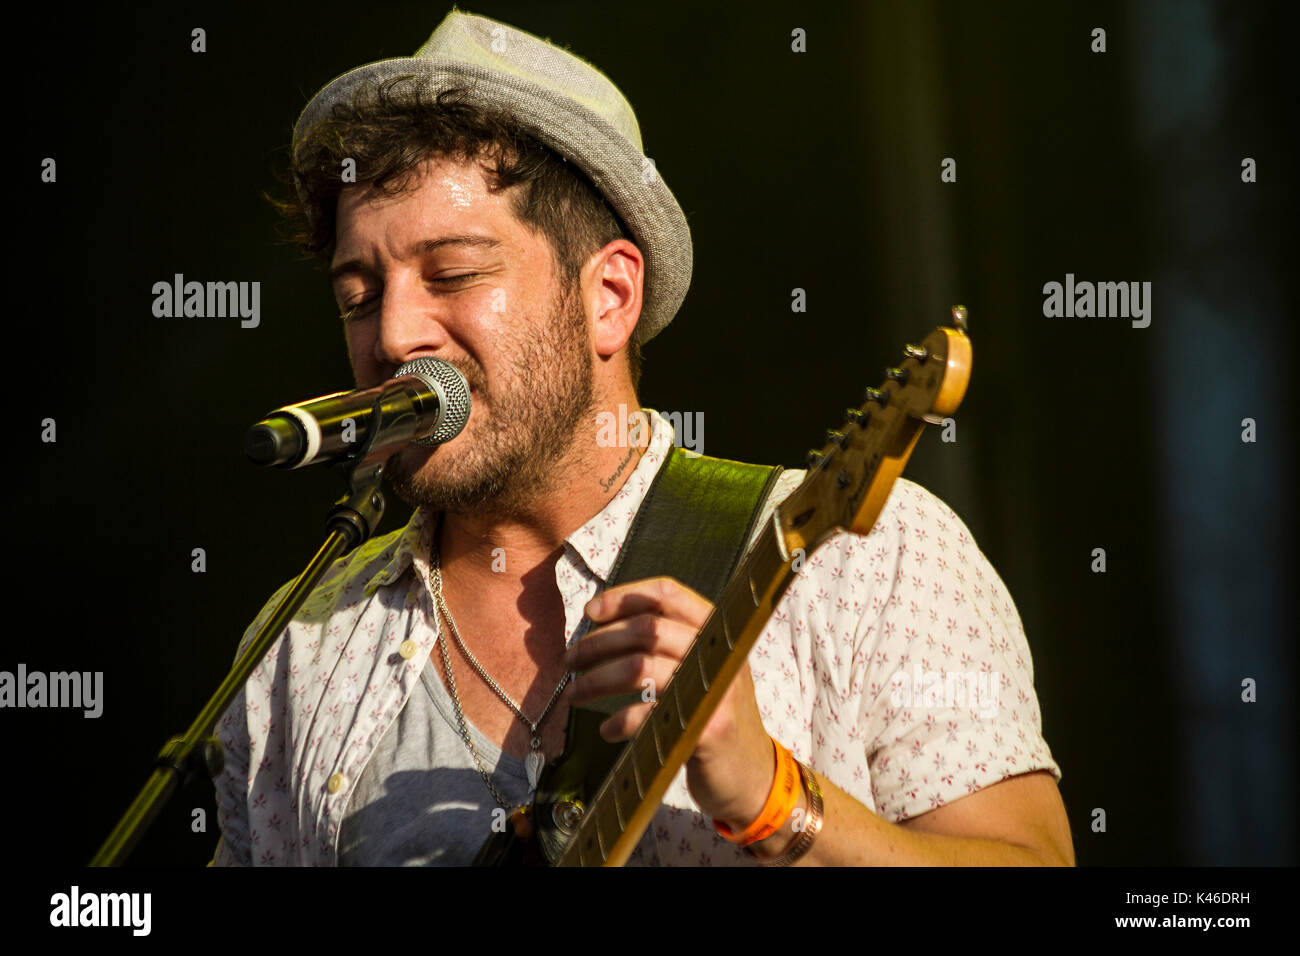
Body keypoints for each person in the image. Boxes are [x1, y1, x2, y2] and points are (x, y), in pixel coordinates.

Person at [211, 9, 1073, 867]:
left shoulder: (865, 558)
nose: (395, 334)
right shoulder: (300, 646)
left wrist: (772, 794)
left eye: (453, 273)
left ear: (610, 297)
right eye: (358, 295)